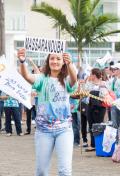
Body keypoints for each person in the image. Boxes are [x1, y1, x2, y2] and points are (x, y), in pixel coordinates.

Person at [17, 48, 77, 176]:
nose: (55, 61)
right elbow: (27, 76)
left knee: (65, 171)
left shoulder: (66, 79)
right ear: (48, 61)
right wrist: (22, 62)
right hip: (44, 131)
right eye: (52, 58)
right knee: (41, 171)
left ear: (63, 62)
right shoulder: (42, 78)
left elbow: (74, 80)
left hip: (64, 129)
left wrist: (70, 64)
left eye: (58, 59)